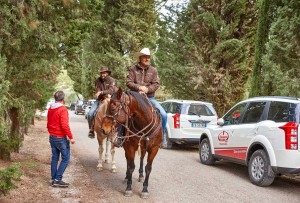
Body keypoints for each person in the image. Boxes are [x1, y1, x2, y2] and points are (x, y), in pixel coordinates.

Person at [126, 47, 167, 134]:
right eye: (145, 57)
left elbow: (156, 84)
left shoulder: (153, 70)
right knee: (124, 113)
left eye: (148, 57)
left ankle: (161, 137)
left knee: (163, 115)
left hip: (149, 98)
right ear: (140, 58)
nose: (147, 59)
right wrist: (139, 87)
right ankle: (120, 136)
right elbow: (128, 82)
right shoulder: (133, 69)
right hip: (135, 98)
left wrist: (147, 90)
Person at [47, 90, 75, 188]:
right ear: (63, 99)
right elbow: (64, 125)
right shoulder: (62, 109)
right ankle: (57, 179)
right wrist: (71, 137)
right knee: (66, 158)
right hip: (60, 138)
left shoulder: (51, 108)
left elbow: (48, 123)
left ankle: (53, 178)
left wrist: (51, 132)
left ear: (55, 99)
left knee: (55, 157)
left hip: (52, 137)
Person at [87, 66, 115, 138]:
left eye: (104, 73)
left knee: (118, 113)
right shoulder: (97, 80)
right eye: (101, 73)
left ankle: (117, 131)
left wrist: (102, 92)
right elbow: (98, 90)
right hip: (100, 99)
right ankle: (91, 130)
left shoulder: (112, 80)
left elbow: (111, 90)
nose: (103, 74)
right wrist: (100, 93)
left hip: (109, 99)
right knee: (90, 114)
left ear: (107, 73)